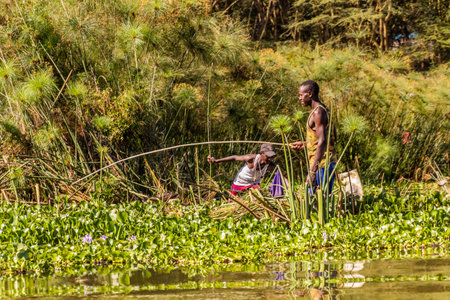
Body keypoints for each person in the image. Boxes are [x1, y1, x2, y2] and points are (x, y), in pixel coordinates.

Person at [290, 80, 337, 195]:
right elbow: (324, 139)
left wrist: (313, 171)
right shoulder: (322, 109)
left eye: (301, 95)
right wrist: (305, 144)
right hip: (324, 163)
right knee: (318, 200)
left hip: (322, 165)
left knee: (319, 201)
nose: (300, 98)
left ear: (310, 93)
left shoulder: (318, 113)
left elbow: (323, 141)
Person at [207, 143, 277, 195]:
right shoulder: (250, 158)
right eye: (268, 156)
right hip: (241, 181)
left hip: (254, 183)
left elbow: (281, 174)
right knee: (232, 200)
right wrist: (217, 161)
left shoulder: (270, 164)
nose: (270, 159)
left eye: (272, 156)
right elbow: (235, 158)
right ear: (261, 153)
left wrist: (288, 186)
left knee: (258, 196)